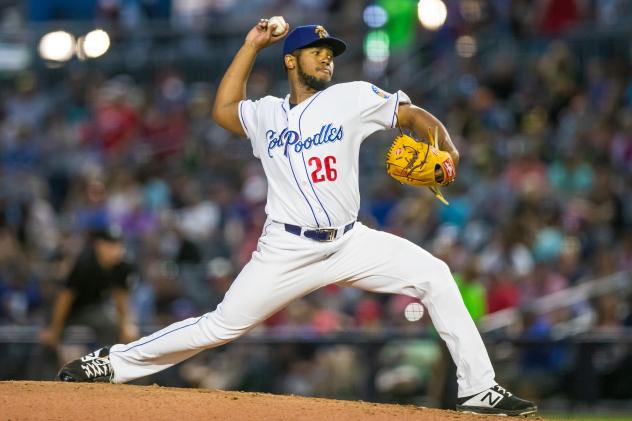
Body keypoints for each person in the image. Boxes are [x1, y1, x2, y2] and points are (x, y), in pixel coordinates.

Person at [57, 20, 536, 416]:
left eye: (329, 51)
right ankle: (113, 363)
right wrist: (250, 45)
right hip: (286, 248)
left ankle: (479, 389)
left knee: (435, 275)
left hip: (351, 242)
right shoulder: (266, 114)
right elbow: (223, 109)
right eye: (315, 50)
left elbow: (409, 116)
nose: (326, 56)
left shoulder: (351, 96)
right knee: (221, 326)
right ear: (291, 61)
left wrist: (445, 144)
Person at [40, 227, 137, 349]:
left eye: (117, 244)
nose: (115, 249)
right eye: (110, 245)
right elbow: (65, 297)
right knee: (50, 343)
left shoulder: (122, 266)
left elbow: (121, 297)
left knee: (115, 328)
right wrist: (54, 329)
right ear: (99, 245)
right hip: (71, 310)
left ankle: (112, 362)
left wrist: (125, 325)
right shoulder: (85, 265)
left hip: (95, 308)